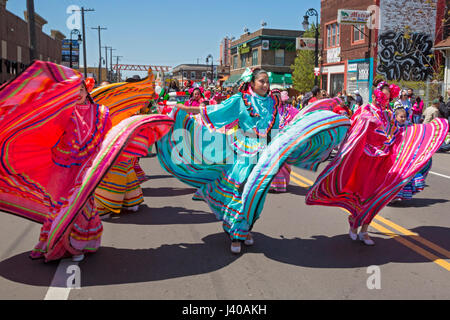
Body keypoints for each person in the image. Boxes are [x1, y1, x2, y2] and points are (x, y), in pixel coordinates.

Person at [156, 67, 350, 254]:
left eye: (267, 82)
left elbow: (276, 127)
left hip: (266, 154)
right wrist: (184, 109)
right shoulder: (240, 100)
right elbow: (214, 111)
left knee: (257, 195)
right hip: (242, 151)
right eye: (261, 81)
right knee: (239, 191)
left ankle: (245, 228)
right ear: (252, 82)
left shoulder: (274, 102)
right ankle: (236, 233)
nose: (265, 85)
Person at [306, 78, 448, 246]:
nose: (385, 99)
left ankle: (364, 230)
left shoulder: (388, 113)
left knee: (377, 197)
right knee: (362, 195)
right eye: (383, 95)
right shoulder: (366, 109)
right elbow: (356, 130)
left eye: (388, 97)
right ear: (377, 94)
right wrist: (368, 122)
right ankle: (354, 222)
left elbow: (395, 132)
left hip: (383, 161)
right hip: (365, 161)